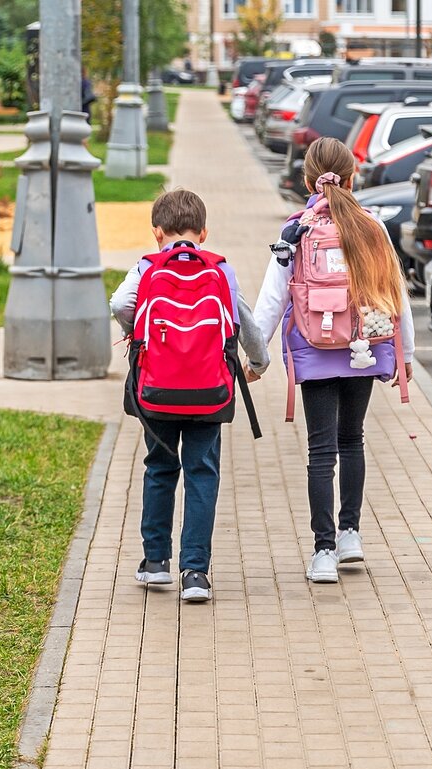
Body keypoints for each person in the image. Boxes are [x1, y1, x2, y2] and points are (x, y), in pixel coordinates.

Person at [250, 137, 415, 584]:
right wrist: (407, 353)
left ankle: (323, 552)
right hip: (365, 345)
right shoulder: (372, 227)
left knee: (320, 450)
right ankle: (350, 536)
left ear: (307, 180)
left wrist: (258, 358)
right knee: (353, 439)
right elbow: (396, 292)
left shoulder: (295, 230)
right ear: (352, 177)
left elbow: (271, 299)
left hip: (314, 347)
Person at [110, 189, 270, 602]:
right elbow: (242, 320)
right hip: (209, 389)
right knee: (202, 472)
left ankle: (156, 562)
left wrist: (137, 333)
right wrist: (259, 362)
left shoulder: (147, 266)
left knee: (160, 467)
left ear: (157, 233)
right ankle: (195, 572)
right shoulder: (220, 269)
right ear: (203, 232)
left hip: (158, 387)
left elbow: (120, 303)